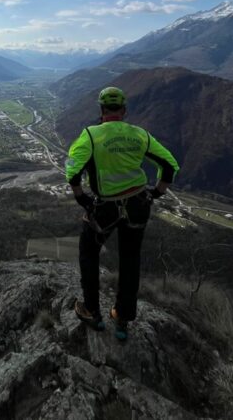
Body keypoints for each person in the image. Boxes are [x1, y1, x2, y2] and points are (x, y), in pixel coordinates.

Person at [65, 86, 179, 340]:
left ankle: (92, 310)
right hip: (138, 204)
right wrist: (156, 192)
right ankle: (122, 316)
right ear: (124, 111)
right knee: (130, 259)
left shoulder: (91, 135)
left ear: (101, 110)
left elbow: (73, 170)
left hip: (104, 207)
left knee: (88, 253)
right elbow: (170, 165)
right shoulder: (140, 135)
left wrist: (82, 198)